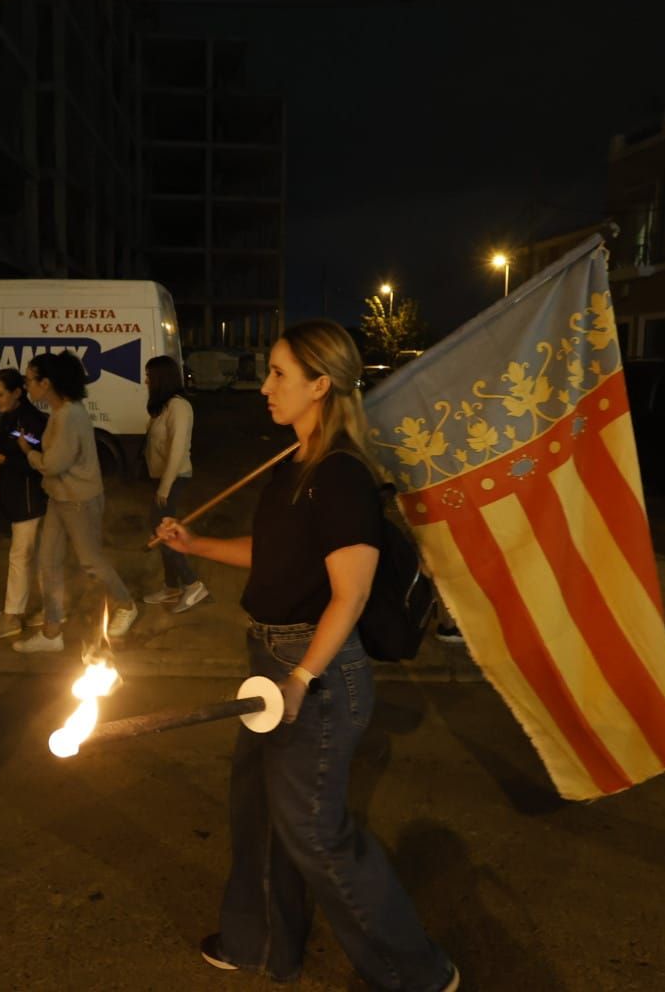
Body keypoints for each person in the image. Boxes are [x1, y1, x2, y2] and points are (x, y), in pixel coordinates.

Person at [155, 321, 458, 992]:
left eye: (279, 374)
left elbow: (349, 596)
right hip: (270, 658)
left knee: (318, 836)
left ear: (321, 384)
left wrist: (298, 679)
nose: (264, 386)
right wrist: (196, 546)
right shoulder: (294, 465)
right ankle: (258, 943)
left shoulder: (343, 475)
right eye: (268, 372)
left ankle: (417, 971)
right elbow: (277, 558)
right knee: (258, 813)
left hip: (314, 672)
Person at [15, 350, 138, 652]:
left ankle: (126, 604)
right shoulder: (61, 412)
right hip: (60, 497)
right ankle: (52, 631)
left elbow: (54, 463)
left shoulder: (70, 414)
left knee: (90, 560)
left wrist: (28, 451)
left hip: (78, 500)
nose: (26, 386)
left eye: (30, 380)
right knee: (48, 561)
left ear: (46, 383)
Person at [0, 368, 48, 641]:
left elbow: (37, 461)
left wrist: (3, 460)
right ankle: (52, 608)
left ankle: (12, 616)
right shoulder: (9, 417)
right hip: (16, 495)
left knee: (21, 556)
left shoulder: (29, 420)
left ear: (18, 392)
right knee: (36, 555)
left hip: (28, 498)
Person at [141, 355, 208, 614]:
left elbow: (177, 451)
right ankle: (172, 586)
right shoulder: (164, 407)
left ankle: (192, 584)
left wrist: (165, 488)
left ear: (160, 378)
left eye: (149, 375)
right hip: (162, 479)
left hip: (174, 479)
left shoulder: (179, 407)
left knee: (163, 534)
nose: (146, 380)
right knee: (161, 531)